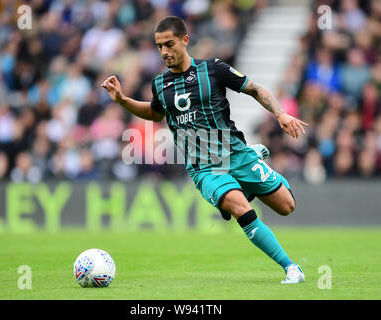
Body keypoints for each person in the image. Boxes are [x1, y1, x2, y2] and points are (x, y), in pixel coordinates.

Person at [102, 16, 308, 284]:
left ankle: (248, 166)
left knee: (286, 206)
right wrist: (122, 100)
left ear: (185, 40)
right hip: (204, 166)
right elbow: (154, 114)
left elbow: (254, 89)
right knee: (239, 208)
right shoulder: (160, 84)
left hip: (236, 152)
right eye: (159, 46)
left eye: (169, 44)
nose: (164, 51)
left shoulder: (213, 69)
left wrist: (280, 114)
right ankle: (291, 267)